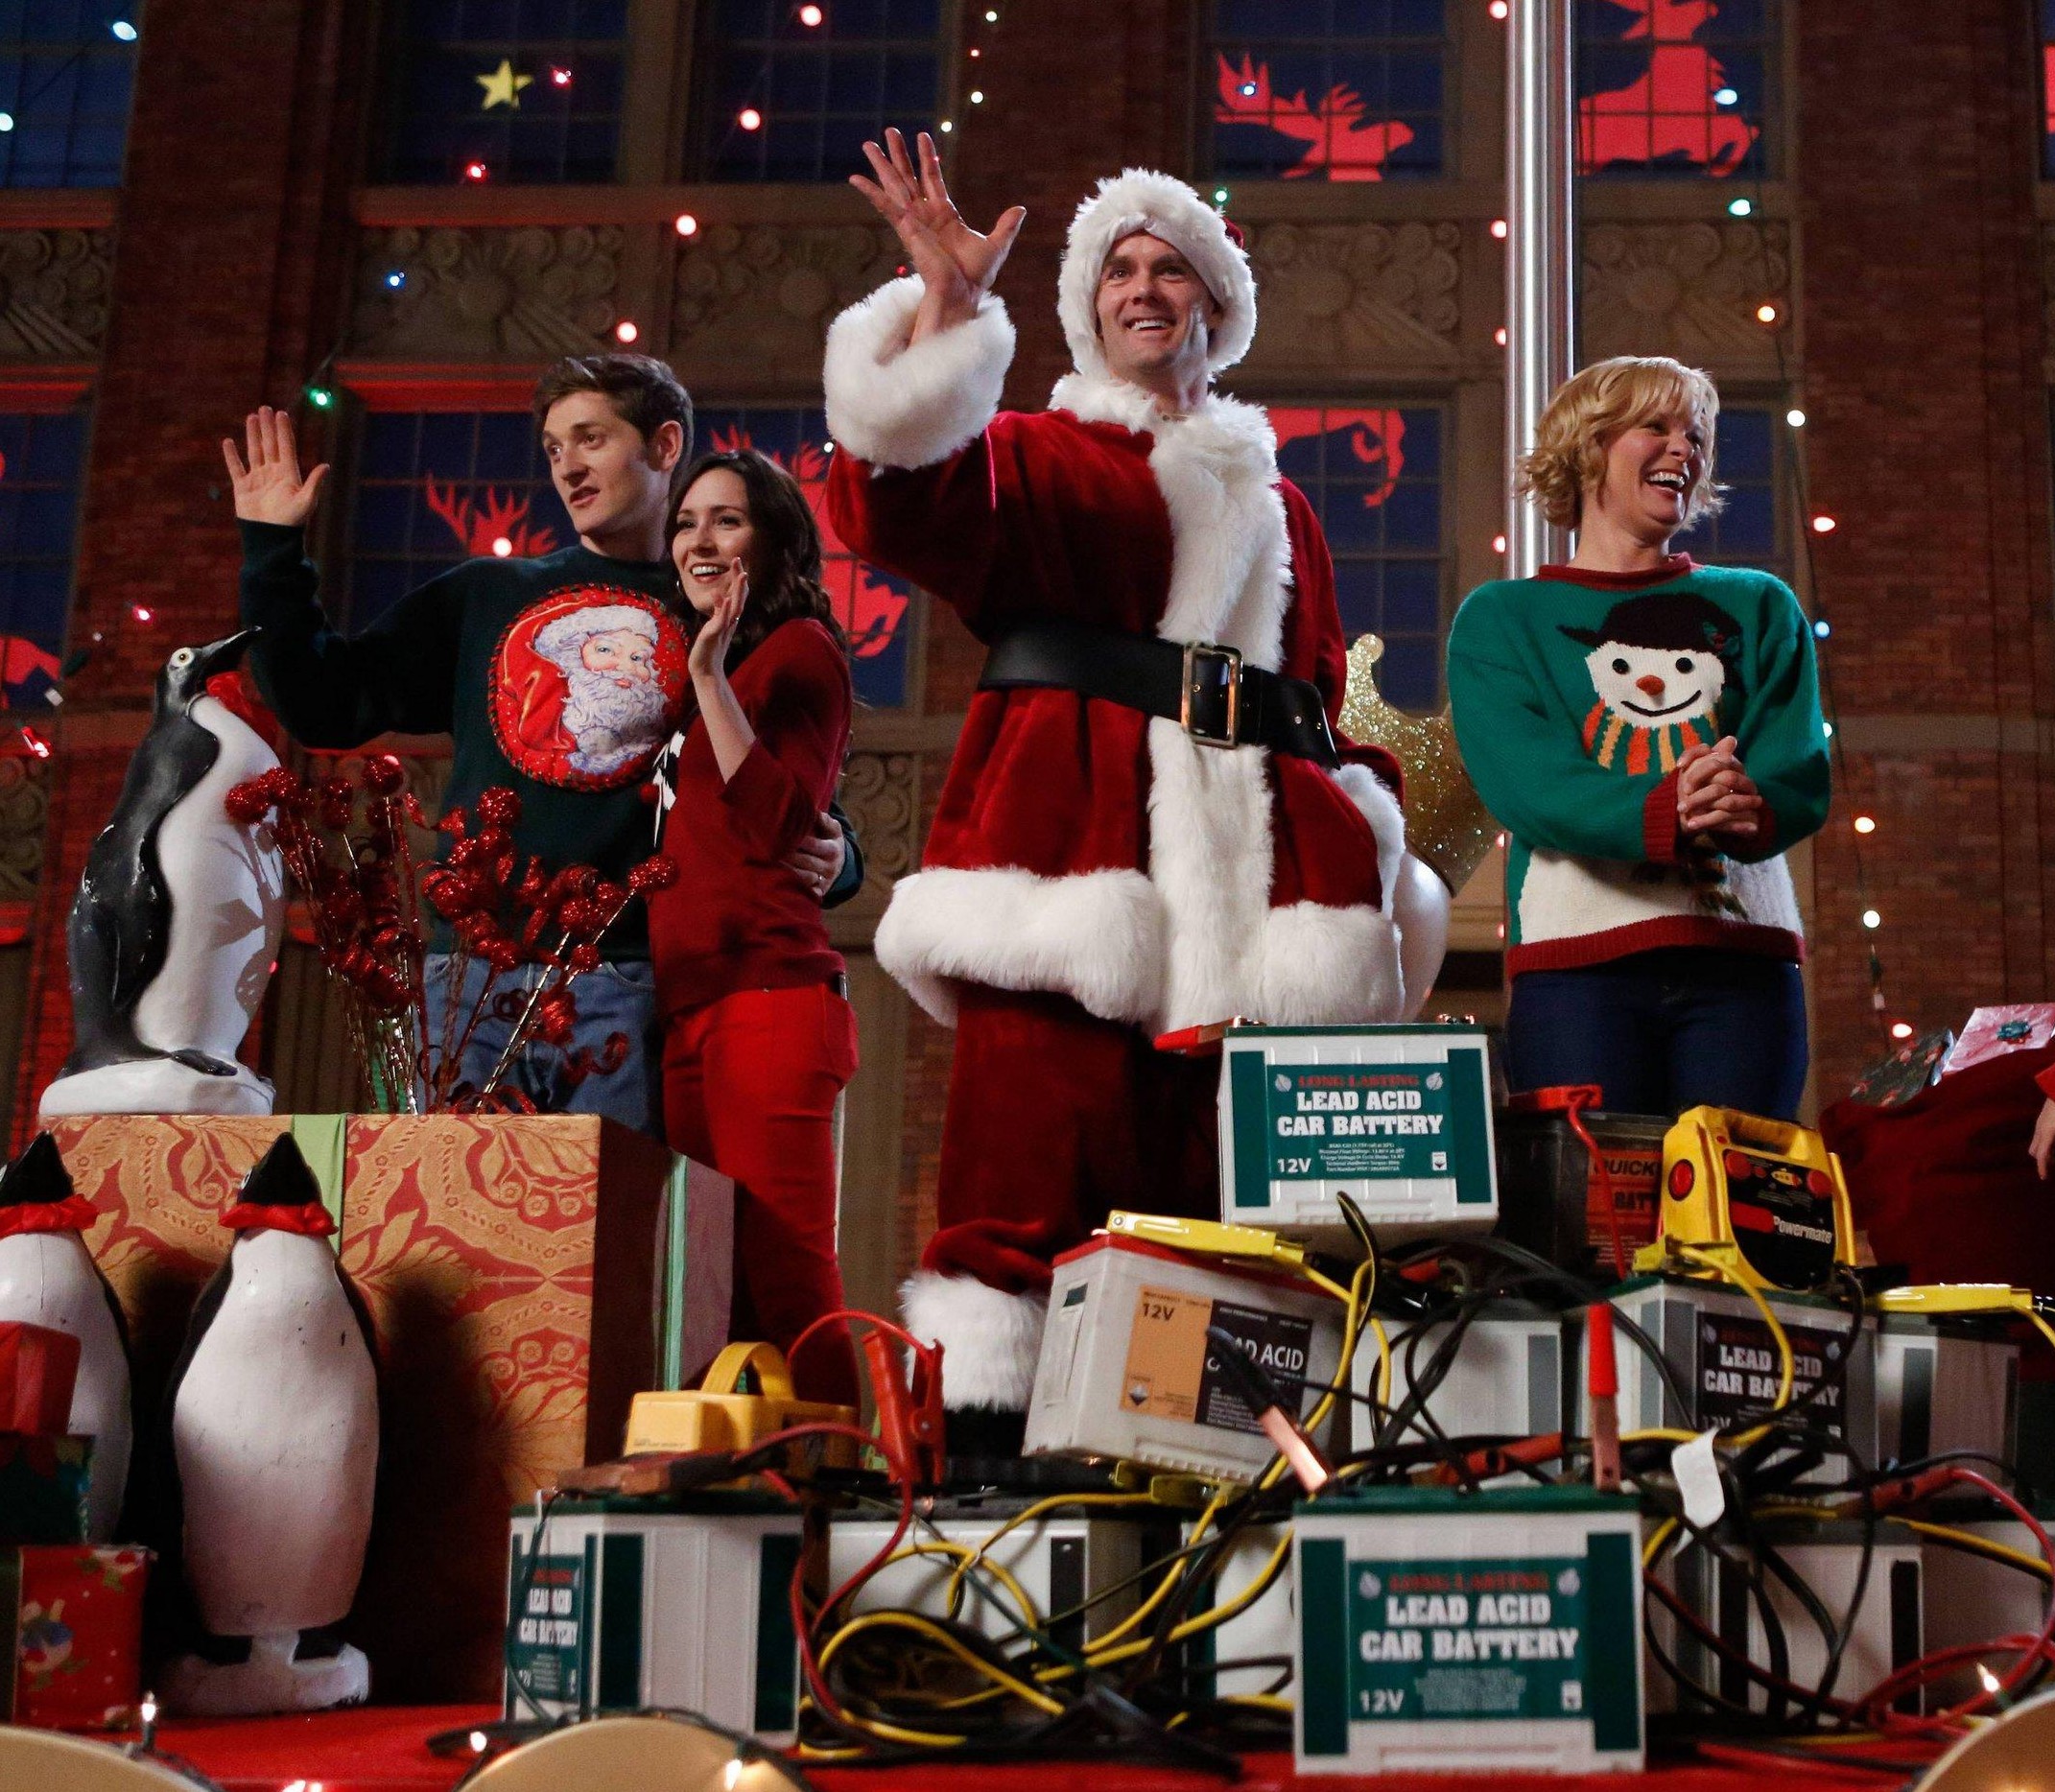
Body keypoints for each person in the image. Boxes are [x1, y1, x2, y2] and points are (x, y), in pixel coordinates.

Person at [821, 135, 1429, 1446]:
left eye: (1172, 269)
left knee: (1225, 1202)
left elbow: (1318, 696)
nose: (1143, 289)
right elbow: (894, 503)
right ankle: (989, 1459)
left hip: (1252, 892)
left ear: (1218, 305)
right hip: (1072, 857)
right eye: (1119, 271)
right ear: (1089, 307)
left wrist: (1365, 833)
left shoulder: (1285, 507)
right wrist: (945, 313)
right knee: (1024, 1175)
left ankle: (1206, 1473)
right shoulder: (1034, 452)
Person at [223, 362, 862, 1132]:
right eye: (555, 448)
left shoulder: (716, 607)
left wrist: (839, 852)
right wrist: (272, 551)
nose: (568, 467)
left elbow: (783, 778)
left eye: (591, 439)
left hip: (626, 981)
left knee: (608, 1208)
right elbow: (324, 705)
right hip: (466, 982)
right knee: (449, 1202)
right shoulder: (485, 594)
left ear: (664, 446)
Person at [1447, 356, 1830, 1120]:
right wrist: (1670, 807)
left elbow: (1794, 768)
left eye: (1695, 435)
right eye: (1655, 426)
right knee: (1594, 1195)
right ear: (1587, 446)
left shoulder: (1760, 604)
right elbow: (1528, 786)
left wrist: (1743, 801)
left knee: (1735, 1189)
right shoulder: (1499, 619)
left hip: (1741, 968)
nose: (1683, 448)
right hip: (1575, 975)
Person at [648, 448, 861, 1405]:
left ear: (771, 541)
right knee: (717, 1292)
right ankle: (750, 1479)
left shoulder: (801, 650)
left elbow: (780, 822)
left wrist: (709, 678)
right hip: (693, 1007)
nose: (699, 539)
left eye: (725, 520)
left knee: (787, 1276)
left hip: (769, 995)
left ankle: (846, 1473)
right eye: (686, 522)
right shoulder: (712, 670)